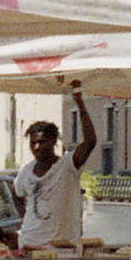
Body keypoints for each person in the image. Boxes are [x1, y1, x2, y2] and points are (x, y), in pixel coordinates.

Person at [13, 90, 95, 249]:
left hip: (61, 247)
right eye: (33, 143)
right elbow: (16, 192)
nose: (36, 147)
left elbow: (90, 142)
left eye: (42, 142)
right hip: (29, 242)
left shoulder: (68, 165)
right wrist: (24, 215)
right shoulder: (26, 170)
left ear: (53, 142)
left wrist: (79, 102)